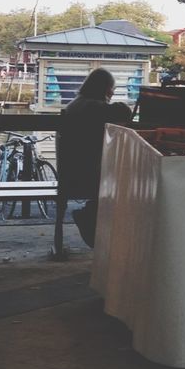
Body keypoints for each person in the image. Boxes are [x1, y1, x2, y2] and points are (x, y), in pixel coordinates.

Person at [58, 68, 132, 247]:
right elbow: (123, 112)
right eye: (111, 88)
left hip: (72, 172)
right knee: (131, 184)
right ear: (105, 89)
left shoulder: (78, 103)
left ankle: (93, 216)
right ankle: (101, 224)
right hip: (85, 176)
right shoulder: (93, 107)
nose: (113, 93)